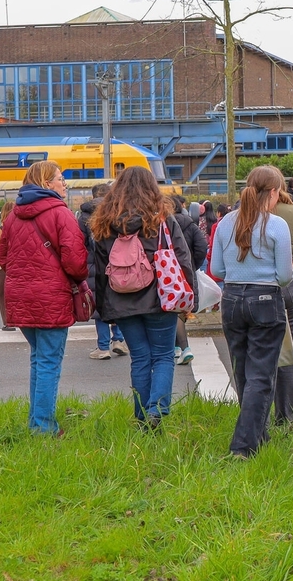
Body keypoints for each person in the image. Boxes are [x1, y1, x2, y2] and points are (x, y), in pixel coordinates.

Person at [91, 167, 195, 430]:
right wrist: (188, 297)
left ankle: (141, 417)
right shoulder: (161, 219)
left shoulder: (105, 222)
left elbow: (99, 271)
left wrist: (103, 308)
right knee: (162, 356)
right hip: (160, 299)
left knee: (140, 358)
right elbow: (182, 259)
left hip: (121, 300)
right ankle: (156, 411)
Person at [0, 160, 88, 435]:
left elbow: (2, 257)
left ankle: (36, 421)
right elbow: (75, 262)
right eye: (60, 179)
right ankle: (43, 427)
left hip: (19, 296)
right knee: (48, 361)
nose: (64, 184)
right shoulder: (60, 214)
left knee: (39, 358)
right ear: (47, 183)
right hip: (51, 297)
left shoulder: (14, 215)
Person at [210, 165, 293, 458]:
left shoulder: (224, 224)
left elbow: (216, 269)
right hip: (265, 300)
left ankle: (259, 434)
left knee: (243, 371)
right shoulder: (276, 225)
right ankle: (243, 446)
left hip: (232, 299)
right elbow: (285, 275)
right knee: (262, 375)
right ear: (273, 193)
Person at [78, 183, 128, 360]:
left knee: (99, 307)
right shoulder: (118, 212)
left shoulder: (84, 216)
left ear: (93, 197)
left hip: (93, 266)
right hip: (117, 264)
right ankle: (119, 340)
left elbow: (80, 243)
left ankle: (102, 347)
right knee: (118, 302)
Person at [272, 175, 293, 426]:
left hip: (259, 285)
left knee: (259, 352)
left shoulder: (246, 213)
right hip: (292, 284)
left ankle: (257, 415)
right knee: (289, 352)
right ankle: (286, 416)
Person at [170, 195, 209, 365]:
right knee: (182, 308)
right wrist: (193, 264)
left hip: (169, 272)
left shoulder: (162, 223)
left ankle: (183, 348)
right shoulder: (190, 224)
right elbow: (202, 248)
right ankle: (177, 346)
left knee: (173, 309)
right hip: (187, 270)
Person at [0, 201, 16, 331]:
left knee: (3, 295)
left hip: (3, 266)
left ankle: (7, 322)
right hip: (19, 264)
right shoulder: (20, 227)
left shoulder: (0, 230)